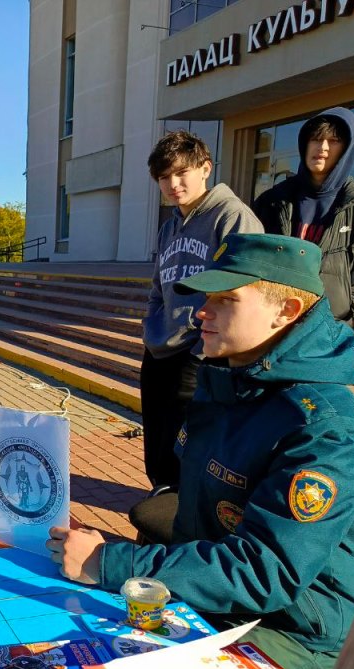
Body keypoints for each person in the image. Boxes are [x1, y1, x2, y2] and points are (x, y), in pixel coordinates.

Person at [47, 233, 354, 669]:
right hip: (212, 596)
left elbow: (265, 572)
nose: (200, 311)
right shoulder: (230, 383)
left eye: (225, 299)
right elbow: (197, 516)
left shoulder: (325, 432)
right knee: (59, 660)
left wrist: (111, 562)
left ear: (287, 310)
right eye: (205, 296)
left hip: (294, 624)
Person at [140, 131, 262, 492]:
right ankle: (157, 507)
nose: (173, 184)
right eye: (164, 177)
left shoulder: (234, 218)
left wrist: (205, 351)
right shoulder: (169, 227)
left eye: (181, 173)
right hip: (160, 349)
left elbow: (244, 291)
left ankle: (179, 523)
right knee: (157, 445)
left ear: (205, 168)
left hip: (200, 354)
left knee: (185, 449)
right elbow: (158, 287)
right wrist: (151, 329)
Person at [252, 106, 354, 322]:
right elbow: (250, 260)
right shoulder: (273, 201)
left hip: (325, 331)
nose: (322, 147)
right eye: (316, 139)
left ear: (347, 149)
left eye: (334, 141)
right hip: (272, 322)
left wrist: (344, 305)